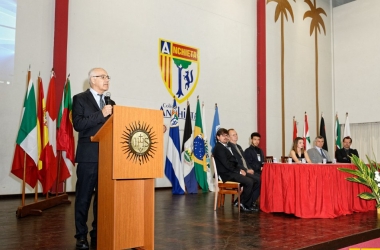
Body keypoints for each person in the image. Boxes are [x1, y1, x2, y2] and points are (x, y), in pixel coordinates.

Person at [72, 68, 116, 249]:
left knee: (103, 198)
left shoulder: (110, 102)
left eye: (107, 77)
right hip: (88, 157)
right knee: (84, 198)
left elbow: (117, 125)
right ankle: (81, 236)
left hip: (107, 156)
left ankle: (98, 231)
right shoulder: (79, 99)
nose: (107, 80)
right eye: (103, 77)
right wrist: (102, 114)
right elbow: (79, 124)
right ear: (92, 80)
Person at [213, 128, 259, 212]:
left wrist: (240, 169)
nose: (225, 137)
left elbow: (234, 162)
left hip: (231, 171)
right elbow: (226, 165)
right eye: (223, 136)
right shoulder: (219, 148)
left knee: (254, 180)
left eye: (226, 135)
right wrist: (239, 171)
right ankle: (245, 205)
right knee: (249, 181)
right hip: (226, 174)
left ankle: (243, 202)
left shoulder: (225, 147)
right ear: (218, 137)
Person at [228, 129, 260, 208]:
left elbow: (245, 161)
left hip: (246, 170)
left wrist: (249, 168)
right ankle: (246, 203)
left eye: (236, 134)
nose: (236, 136)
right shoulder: (229, 148)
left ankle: (242, 201)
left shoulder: (238, 146)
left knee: (260, 178)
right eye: (233, 135)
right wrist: (246, 170)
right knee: (256, 180)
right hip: (238, 172)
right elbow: (236, 163)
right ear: (228, 137)